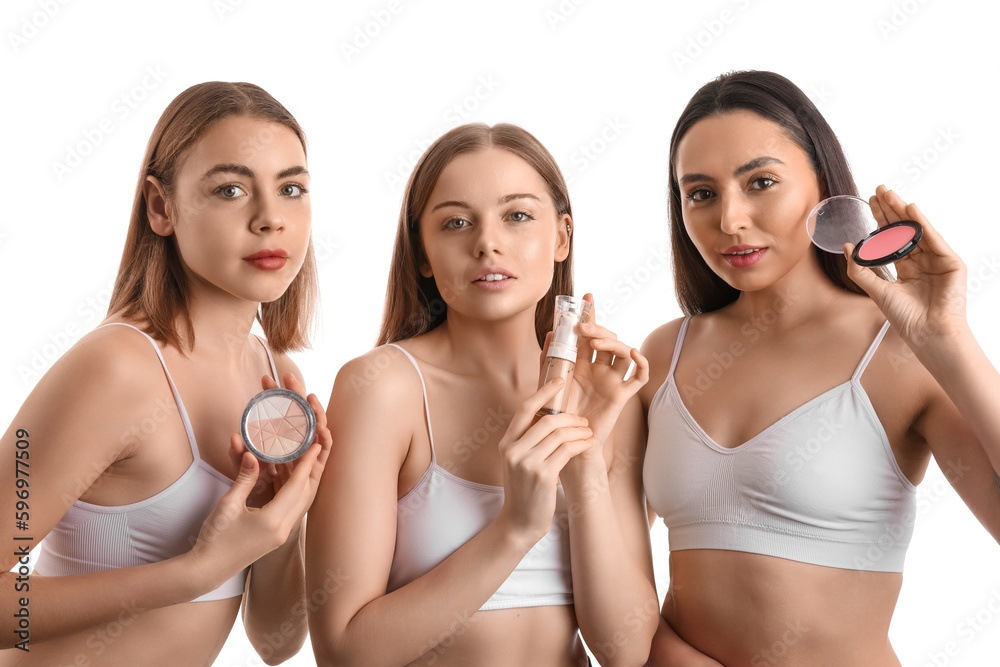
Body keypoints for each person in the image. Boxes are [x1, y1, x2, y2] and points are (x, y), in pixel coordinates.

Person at [640, 70, 1000, 666]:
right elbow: (599, 558)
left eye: (761, 182)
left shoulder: (900, 353)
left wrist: (950, 343)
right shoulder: (663, 355)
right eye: (700, 193)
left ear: (825, 190)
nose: (730, 219)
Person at [0, 81, 331, 666]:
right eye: (230, 189)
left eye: (291, 189)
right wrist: (190, 575)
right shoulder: (116, 370)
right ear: (161, 207)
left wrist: (280, 522)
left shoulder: (277, 380)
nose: (270, 219)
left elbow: (276, 644)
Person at [306, 123, 658, 666]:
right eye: (456, 222)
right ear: (422, 251)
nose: (486, 242)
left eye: (517, 216)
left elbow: (628, 651)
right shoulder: (381, 389)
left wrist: (584, 464)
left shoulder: (612, 397)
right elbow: (345, 652)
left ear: (562, 236)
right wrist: (515, 528)